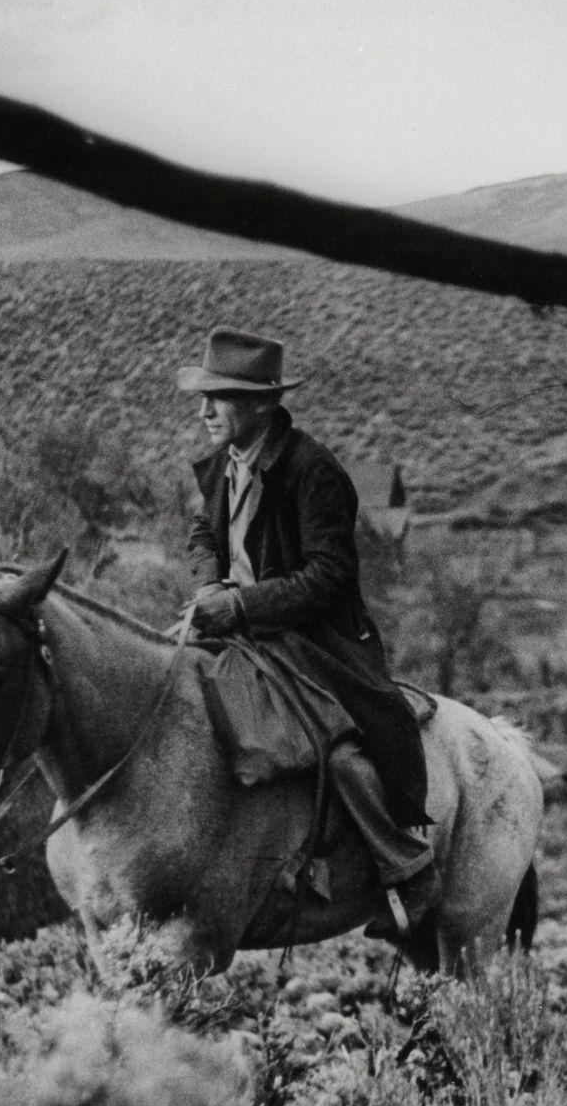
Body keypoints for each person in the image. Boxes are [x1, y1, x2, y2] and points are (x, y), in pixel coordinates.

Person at [179, 325, 440, 937]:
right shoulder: (222, 465)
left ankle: (406, 866)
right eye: (204, 397)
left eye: (221, 397)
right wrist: (209, 585)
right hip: (237, 626)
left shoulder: (312, 470)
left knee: (334, 747)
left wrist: (240, 607)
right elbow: (203, 535)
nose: (205, 411)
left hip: (314, 637)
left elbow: (328, 577)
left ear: (264, 404)